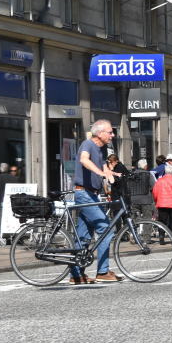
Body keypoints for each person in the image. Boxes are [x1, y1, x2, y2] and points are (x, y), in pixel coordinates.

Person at [71, 120, 120, 284]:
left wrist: (114, 175)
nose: (112, 135)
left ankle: (76, 275)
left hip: (91, 194)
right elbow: (84, 160)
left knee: (84, 236)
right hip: (83, 193)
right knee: (106, 229)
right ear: (100, 133)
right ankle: (103, 271)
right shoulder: (88, 144)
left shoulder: (101, 149)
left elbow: (104, 167)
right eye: (110, 132)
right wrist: (101, 173)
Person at [127, 157, 156, 224]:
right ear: (145, 166)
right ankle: (146, 234)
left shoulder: (132, 174)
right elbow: (154, 186)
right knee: (147, 220)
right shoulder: (148, 174)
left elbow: (128, 187)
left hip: (133, 200)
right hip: (146, 200)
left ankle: (134, 233)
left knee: (134, 219)